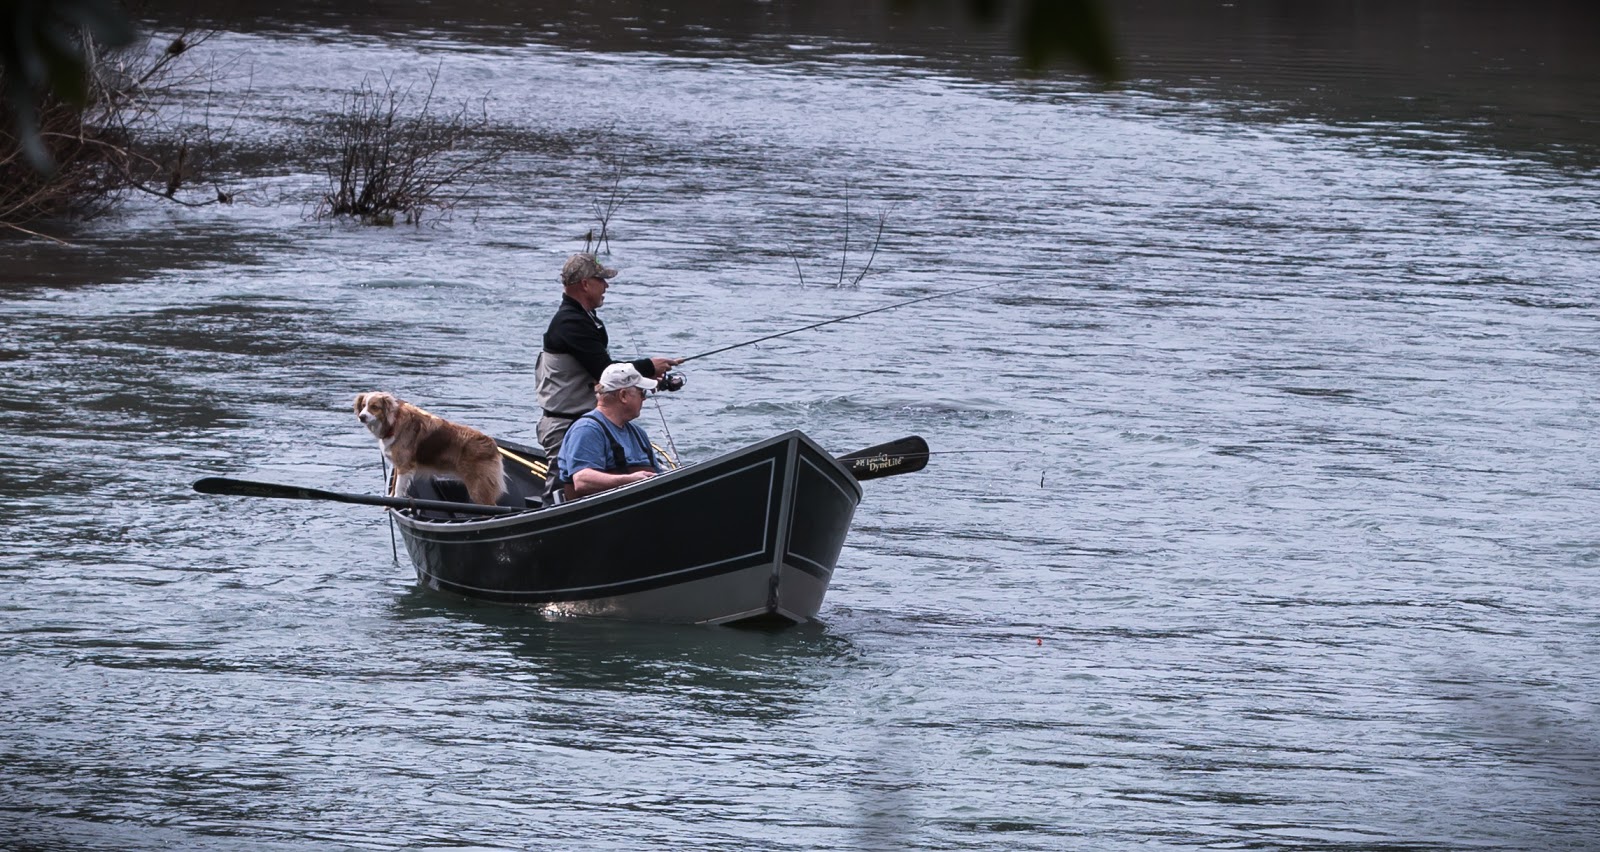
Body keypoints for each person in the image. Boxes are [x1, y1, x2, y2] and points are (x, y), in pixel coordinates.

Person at [535, 253, 681, 463]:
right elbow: (605, 372)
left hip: (584, 422)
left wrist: (647, 381)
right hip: (565, 427)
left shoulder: (584, 319)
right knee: (563, 488)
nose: (606, 286)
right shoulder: (570, 323)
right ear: (585, 284)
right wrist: (649, 366)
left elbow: (599, 372)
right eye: (601, 280)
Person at [556, 363, 662, 500]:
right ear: (623, 395)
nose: (644, 399)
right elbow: (582, 480)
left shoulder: (638, 433)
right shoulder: (586, 429)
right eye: (641, 393)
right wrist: (630, 480)